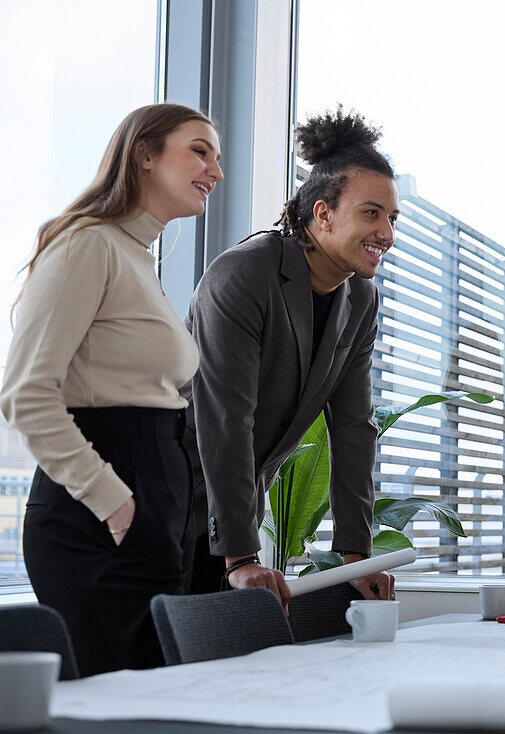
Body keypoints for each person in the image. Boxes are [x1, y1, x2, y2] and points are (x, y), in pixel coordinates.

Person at [0, 103, 223, 675]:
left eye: (218, 158)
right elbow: (25, 392)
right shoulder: (87, 244)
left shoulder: (138, 258)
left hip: (156, 500)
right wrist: (115, 503)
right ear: (144, 154)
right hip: (100, 511)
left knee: (154, 696)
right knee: (117, 705)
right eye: (200, 150)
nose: (215, 172)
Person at [181, 106, 395, 607]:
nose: (387, 233)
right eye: (371, 213)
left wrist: (354, 554)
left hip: (235, 510)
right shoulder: (244, 275)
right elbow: (225, 419)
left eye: (391, 217)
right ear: (322, 213)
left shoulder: (360, 299)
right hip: (170, 493)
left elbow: (353, 427)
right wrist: (238, 555)